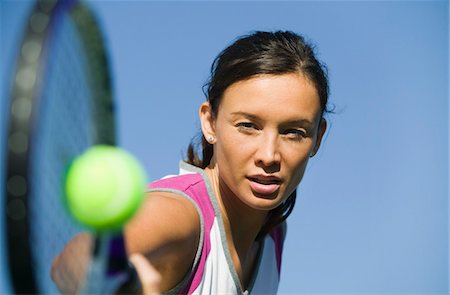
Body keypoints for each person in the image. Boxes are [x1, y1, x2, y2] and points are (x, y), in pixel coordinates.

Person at [52, 30, 330, 294]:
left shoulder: (273, 236)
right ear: (210, 122)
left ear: (317, 138)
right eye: (248, 125)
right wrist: (122, 286)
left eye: (294, 132)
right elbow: (72, 262)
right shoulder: (180, 215)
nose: (269, 156)